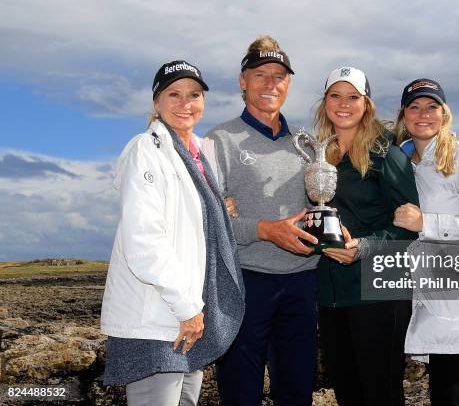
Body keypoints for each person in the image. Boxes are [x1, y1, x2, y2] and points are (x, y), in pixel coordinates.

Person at [100, 60, 245, 406]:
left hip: (188, 317)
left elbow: (189, 224)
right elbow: (144, 239)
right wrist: (187, 307)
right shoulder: (146, 150)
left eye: (194, 95)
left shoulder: (197, 155)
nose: (185, 103)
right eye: (174, 94)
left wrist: (218, 208)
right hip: (162, 319)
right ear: (156, 102)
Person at [206, 36, 319, 406]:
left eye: (279, 76)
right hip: (245, 283)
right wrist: (265, 230)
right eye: (261, 75)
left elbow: (322, 206)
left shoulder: (306, 142)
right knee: (240, 394)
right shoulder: (218, 141)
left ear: (288, 84)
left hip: (303, 282)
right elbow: (212, 223)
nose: (271, 83)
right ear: (243, 81)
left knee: (297, 393)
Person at [314, 66, 419, 406]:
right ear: (325, 101)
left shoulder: (385, 153)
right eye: (335, 95)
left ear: (366, 104)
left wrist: (364, 247)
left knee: (382, 394)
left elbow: (409, 225)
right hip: (332, 294)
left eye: (353, 97)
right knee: (347, 393)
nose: (343, 104)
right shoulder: (320, 155)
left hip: (379, 291)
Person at [392, 78, 459, 406]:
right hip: (424, 294)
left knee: (453, 392)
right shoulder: (400, 163)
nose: (423, 113)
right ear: (403, 115)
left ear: (444, 113)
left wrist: (427, 223)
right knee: (450, 392)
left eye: (432, 106)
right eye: (415, 106)